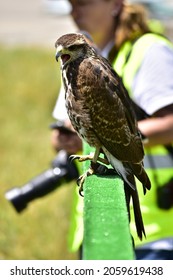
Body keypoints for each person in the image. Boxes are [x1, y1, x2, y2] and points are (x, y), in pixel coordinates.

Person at [51, 0, 173, 259]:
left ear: (115, 5)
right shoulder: (83, 60)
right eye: (71, 5)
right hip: (94, 230)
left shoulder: (147, 51)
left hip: (158, 236)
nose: (76, 11)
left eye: (83, 3)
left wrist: (117, 144)